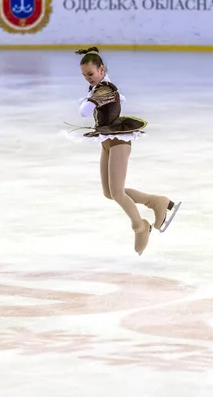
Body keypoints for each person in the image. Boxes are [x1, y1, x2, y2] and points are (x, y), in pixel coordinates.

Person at [65, 47, 181, 255]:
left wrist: (91, 100)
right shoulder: (100, 87)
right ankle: (156, 201)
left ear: (101, 69)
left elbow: (84, 112)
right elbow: (120, 101)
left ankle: (140, 226)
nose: (87, 79)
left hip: (119, 141)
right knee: (109, 193)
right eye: (84, 75)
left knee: (117, 192)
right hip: (107, 140)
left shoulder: (106, 89)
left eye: (90, 74)